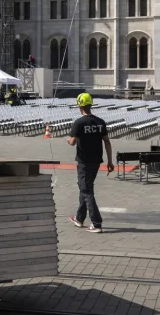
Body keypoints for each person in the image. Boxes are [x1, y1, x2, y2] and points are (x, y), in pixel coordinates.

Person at [66, 93, 113, 233]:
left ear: (79, 105)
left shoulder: (79, 123)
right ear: (91, 104)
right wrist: (110, 161)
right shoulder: (100, 122)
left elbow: (73, 142)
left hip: (84, 161)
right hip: (96, 161)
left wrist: (68, 141)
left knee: (86, 190)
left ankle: (96, 223)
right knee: (85, 187)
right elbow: (107, 142)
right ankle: (79, 218)